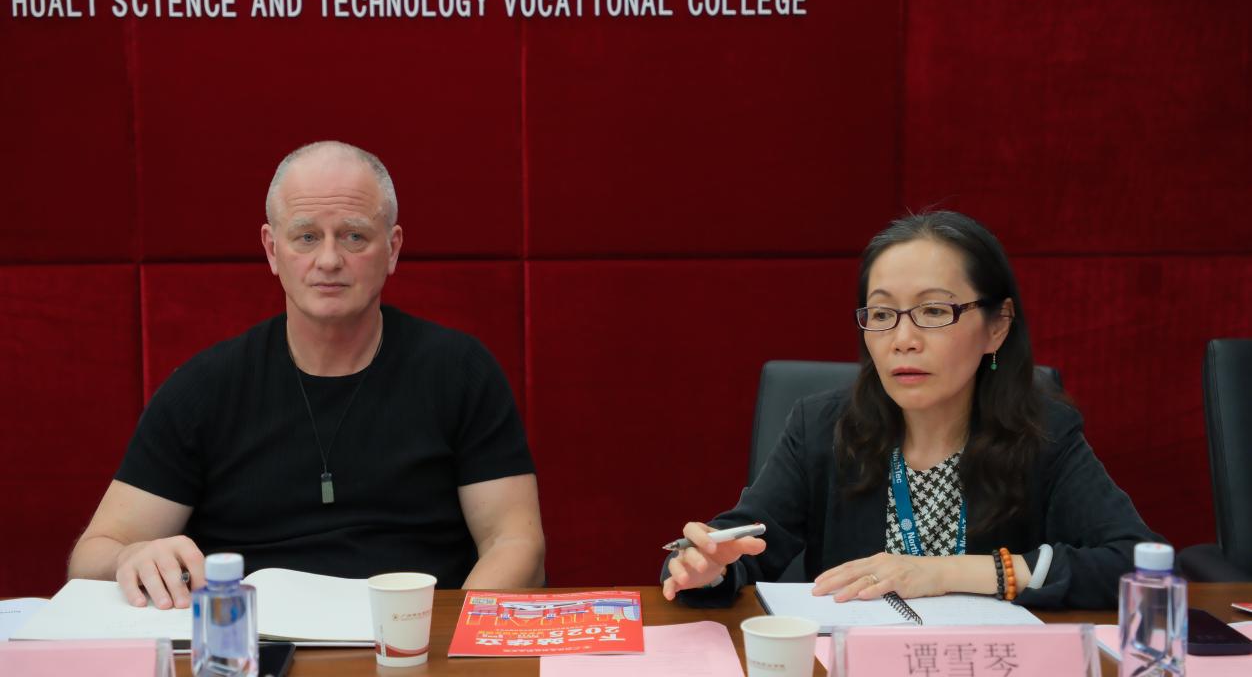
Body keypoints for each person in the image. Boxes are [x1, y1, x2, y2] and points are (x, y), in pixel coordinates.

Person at [69, 141, 545, 609]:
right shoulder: (203, 389)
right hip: (252, 642)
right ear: (272, 249)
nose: (330, 260)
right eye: (307, 237)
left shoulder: (460, 373)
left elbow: (514, 542)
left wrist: (450, 636)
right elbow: (92, 555)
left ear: (392, 248)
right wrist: (131, 556)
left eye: (354, 236)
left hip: (414, 634)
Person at [661, 210, 1162, 609]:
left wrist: (954, 572)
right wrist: (708, 568)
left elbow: (1137, 565)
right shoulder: (822, 428)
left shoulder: (1044, 433)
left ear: (997, 326)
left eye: (934, 311)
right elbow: (741, 546)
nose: (903, 339)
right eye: (882, 314)